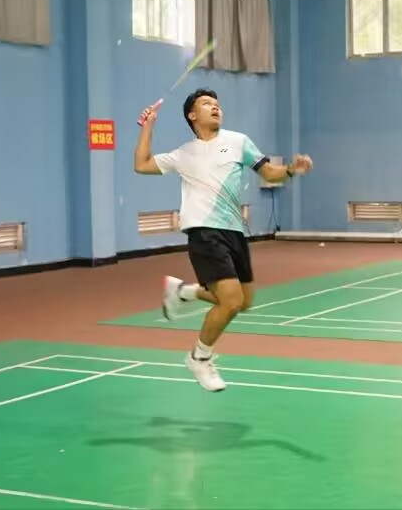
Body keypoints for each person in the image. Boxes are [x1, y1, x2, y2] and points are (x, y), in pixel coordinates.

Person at [133, 88, 313, 392]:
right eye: (207, 104)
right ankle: (199, 358)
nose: (215, 108)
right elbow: (142, 164)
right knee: (229, 301)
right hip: (203, 230)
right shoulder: (183, 154)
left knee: (243, 302)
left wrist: (292, 170)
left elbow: (270, 173)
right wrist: (148, 125)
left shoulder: (238, 142)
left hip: (234, 232)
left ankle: (183, 292)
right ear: (192, 115)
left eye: (217, 104)